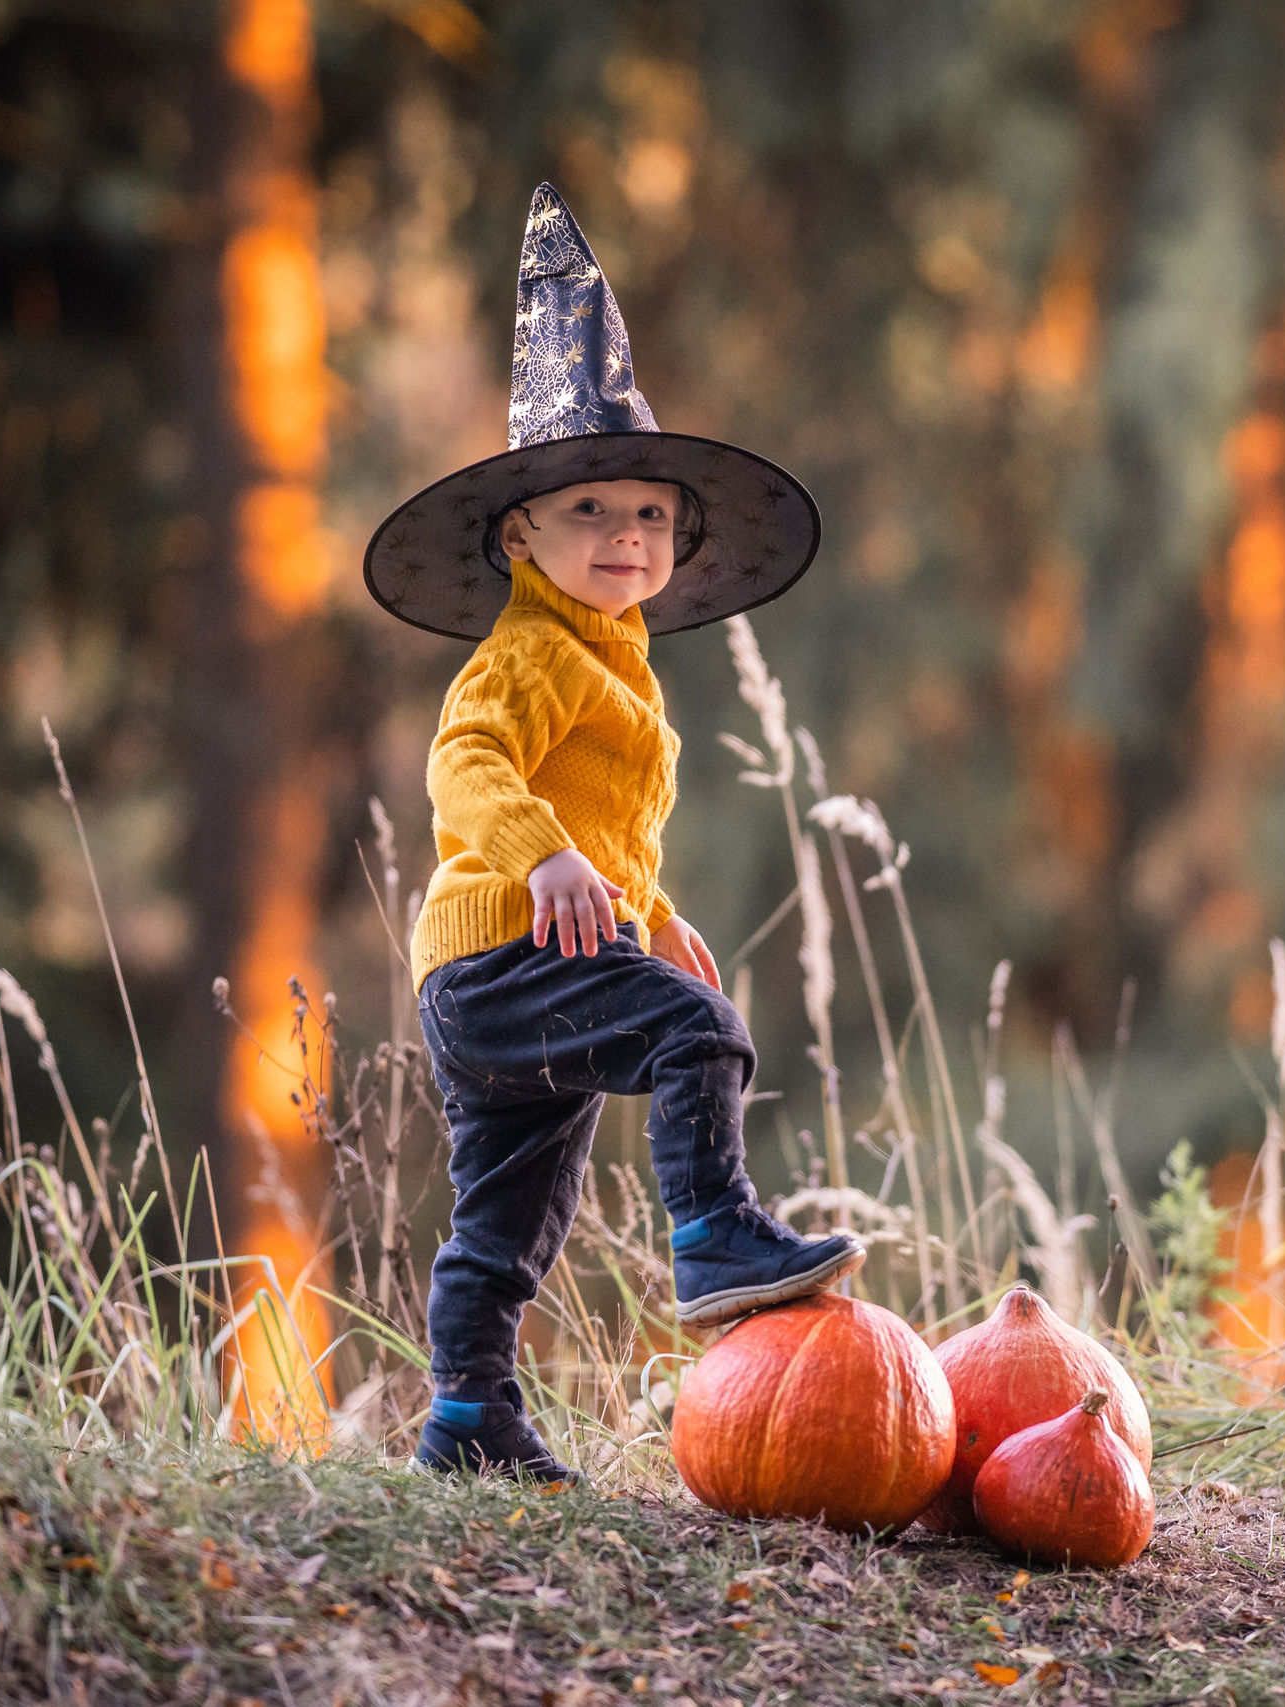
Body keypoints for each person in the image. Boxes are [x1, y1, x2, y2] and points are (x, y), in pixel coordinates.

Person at [362, 184, 862, 1482]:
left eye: (648, 515)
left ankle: (465, 1421)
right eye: (589, 511)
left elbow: (610, 828)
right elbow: (464, 764)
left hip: (510, 970)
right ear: (519, 532)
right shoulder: (531, 651)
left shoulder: (613, 662)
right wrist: (545, 857)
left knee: (511, 1216)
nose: (626, 536)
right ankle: (715, 1235)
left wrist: (653, 914)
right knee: (706, 1035)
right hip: (502, 956)